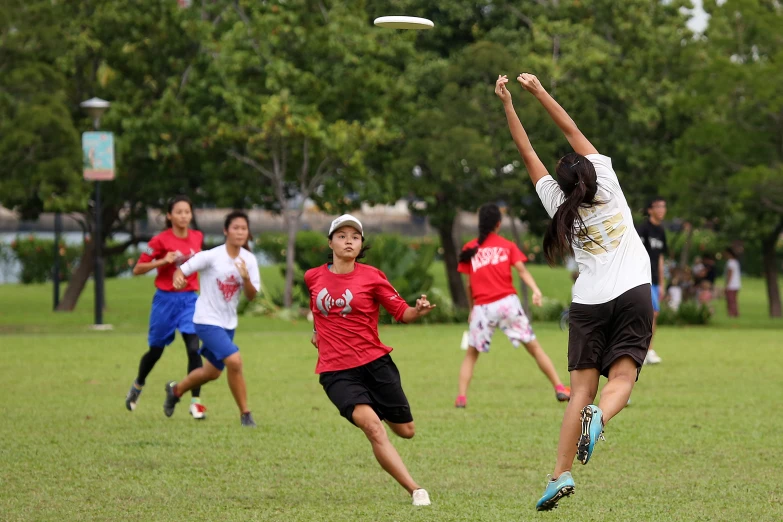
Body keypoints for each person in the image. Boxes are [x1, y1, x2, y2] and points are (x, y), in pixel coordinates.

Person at [495, 73, 653, 511]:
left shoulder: (557, 206)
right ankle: (600, 418)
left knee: (579, 390)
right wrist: (539, 92)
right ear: (589, 170)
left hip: (588, 303)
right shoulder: (606, 176)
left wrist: (508, 105)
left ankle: (558, 474)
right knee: (621, 378)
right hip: (634, 293)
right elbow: (570, 128)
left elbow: (527, 152)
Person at [305, 214, 434, 507]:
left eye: (355, 236)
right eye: (341, 235)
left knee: (406, 431)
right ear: (330, 242)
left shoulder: (372, 276)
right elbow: (316, 305)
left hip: (375, 364)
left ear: (361, 244)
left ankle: (375, 406)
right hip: (336, 371)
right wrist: (316, 331)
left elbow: (402, 313)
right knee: (373, 427)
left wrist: (418, 310)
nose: (348, 240)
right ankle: (416, 490)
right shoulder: (312, 276)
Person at [455, 203, 570, 408]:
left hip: (483, 308)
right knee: (535, 348)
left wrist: (472, 308)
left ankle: (461, 398)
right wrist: (536, 290)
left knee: (471, 355)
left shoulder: (470, 249)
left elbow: (469, 284)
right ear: (498, 224)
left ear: (481, 224)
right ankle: (559, 387)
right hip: (508, 304)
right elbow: (522, 271)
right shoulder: (507, 246)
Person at [162, 211, 261, 427]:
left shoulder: (250, 260)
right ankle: (246, 414)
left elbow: (252, 296)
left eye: (244, 228)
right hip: (206, 320)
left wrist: (245, 278)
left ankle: (175, 390)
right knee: (234, 360)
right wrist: (178, 279)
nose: (240, 232)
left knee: (212, 372)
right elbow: (182, 270)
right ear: (226, 230)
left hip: (228, 323)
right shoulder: (211, 256)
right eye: (235, 227)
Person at [126, 196, 206, 419]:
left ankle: (196, 402)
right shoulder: (160, 241)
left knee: (193, 349)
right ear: (169, 215)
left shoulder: (198, 237)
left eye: (187, 212)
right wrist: (163, 261)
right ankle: (138, 385)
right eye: (178, 212)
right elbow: (138, 269)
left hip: (189, 299)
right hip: (165, 300)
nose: (183, 216)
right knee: (156, 350)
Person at [637, 197, 668, 365]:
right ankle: (646, 350)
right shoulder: (642, 229)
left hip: (655, 280)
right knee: (651, 313)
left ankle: (646, 350)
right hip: (642, 277)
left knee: (652, 314)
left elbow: (660, 258)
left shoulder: (661, 231)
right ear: (650, 210)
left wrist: (662, 283)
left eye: (664, 206)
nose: (662, 209)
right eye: (658, 206)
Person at [724, 248, 741, 317]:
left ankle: (732, 313)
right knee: (734, 300)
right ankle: (735, 313)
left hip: (731, 285)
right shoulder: (735, 262)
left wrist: (727, 284)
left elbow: (729, 274)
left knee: (730, 300)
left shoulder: (730, 262)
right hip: (737, 284)